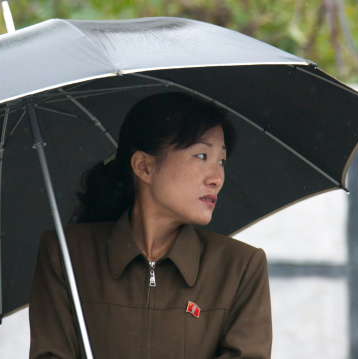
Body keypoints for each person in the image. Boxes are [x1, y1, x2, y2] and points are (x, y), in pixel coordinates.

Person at [29, 92, 273, 359]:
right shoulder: (65, 255)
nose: (217, 178)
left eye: (222, 161)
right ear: (144, 166)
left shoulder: (240, 269)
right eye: (202, 156)